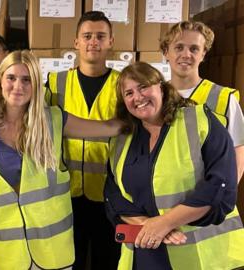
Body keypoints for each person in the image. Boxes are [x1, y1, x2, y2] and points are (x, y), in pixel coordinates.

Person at [0, 50, 123, 270]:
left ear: (36, 85)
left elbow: (108, 128)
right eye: (11, 78)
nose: (18, 86)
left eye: (26, 79)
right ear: (0, 81)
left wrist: (149, 111)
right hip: (5, 248)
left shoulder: (53, 120)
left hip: (51, 247)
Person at [105, 62, 244, 269]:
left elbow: (220, 184)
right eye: (129, 93)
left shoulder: (200, 121)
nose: (138, 97)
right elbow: (113, 194)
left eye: (143, 87)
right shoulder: (122, 139)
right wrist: (150, 227)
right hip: (146, 251)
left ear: (161, 87)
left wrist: (164, 223)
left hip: (202, 255)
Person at [46, 10, 120, 269]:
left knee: (107, 262)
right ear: (76, 42)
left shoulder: (123, 85)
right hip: (66, 195)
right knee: (68, 263)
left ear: (111, 41)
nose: (93, 42)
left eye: (101, 36)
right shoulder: (55, 82)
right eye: (87, 36)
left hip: (110, 195)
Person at [160, 20, 244, 182]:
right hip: (165, 197)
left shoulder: (224, 98)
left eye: (194, 49)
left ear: (203, 54)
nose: (186, 55)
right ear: (165, 52)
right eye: (179, 47)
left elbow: (238, 153)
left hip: (209, 198)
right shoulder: (155, 97)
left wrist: (222, 197)